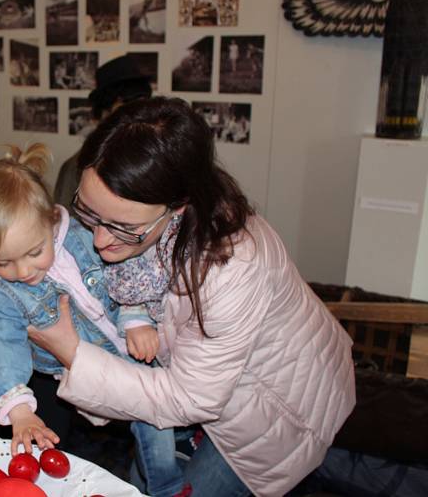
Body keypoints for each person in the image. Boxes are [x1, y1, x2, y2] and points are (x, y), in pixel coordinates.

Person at [29, 97, 356, 497]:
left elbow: (190, 397)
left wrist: (73, 353)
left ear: (179, 208)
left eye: (123, 227)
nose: (100, 240)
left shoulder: (233, 267)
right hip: (205, 381)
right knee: (144, 479)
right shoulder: (156, 223)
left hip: (277, 410)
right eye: (89, 212)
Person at [0, 144, 185, 496]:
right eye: (4, 262)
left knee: (178, 410)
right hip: (88, 373)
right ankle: (166, 490)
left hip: (144, 342)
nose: (22, 272)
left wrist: (135, 317)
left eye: (35, 252)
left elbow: (128, 270)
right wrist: (18, 410)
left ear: (52, 221)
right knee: (153, 429)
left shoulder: (85, 235)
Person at [54, 55, 152, 208]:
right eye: (126, 108)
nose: (137, 119)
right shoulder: (78, 168)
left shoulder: (157, 157)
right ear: (104, 114)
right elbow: (65, 222)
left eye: (142, 106)